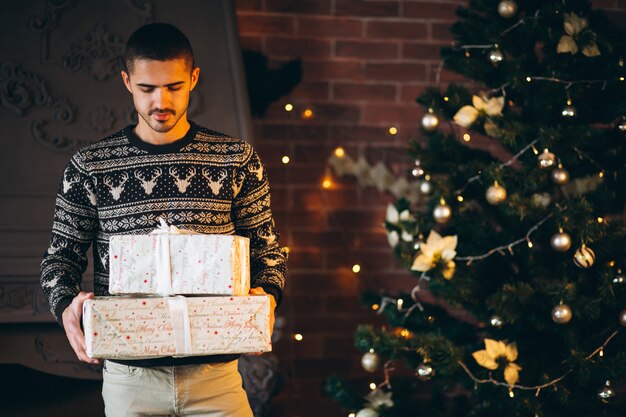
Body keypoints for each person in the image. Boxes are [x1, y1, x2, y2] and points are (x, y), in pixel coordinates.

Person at [40, 23, 287, 417]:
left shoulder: (236, 160)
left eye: (173, 87)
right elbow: (59, 260)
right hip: (129, 381)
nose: (161, 101)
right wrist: (66, 304)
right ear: (126, 81)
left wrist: (266, 295)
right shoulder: (90, 167)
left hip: (217, 377)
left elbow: (268, 253)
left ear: (194, 78)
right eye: (147, 88)